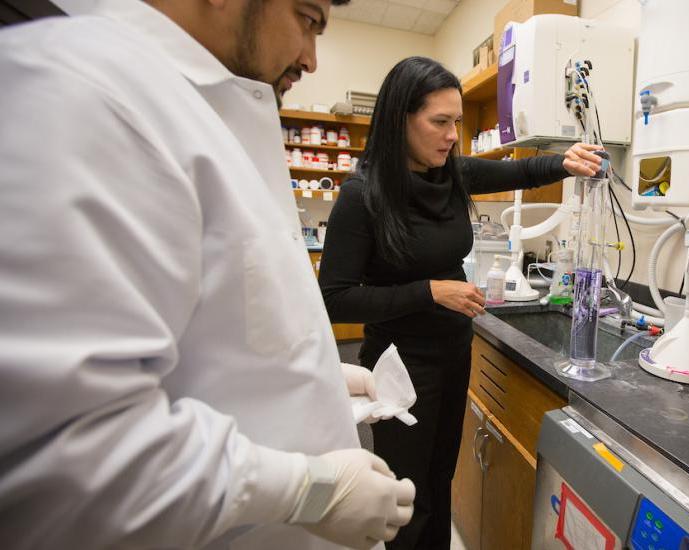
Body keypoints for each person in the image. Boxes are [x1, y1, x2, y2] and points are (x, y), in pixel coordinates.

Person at [0, 1, 414, 549]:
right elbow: (69, 459)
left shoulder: (205, 109)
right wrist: (309, 491)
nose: (312, 58)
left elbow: (206, 332)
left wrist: (313, 374)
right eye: (307, 18)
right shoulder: (83, 93)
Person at [318, 56, 604, 549]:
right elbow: (335, 299)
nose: (453, 135)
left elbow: (519, 172)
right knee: (407, 494)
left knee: (439, 476)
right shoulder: (362, 195)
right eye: (440, 122)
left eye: (457, 122)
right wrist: (430, 290)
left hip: (452, 353)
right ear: (400, 119)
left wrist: (566, 160)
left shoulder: (449, 173)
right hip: (399, 364)